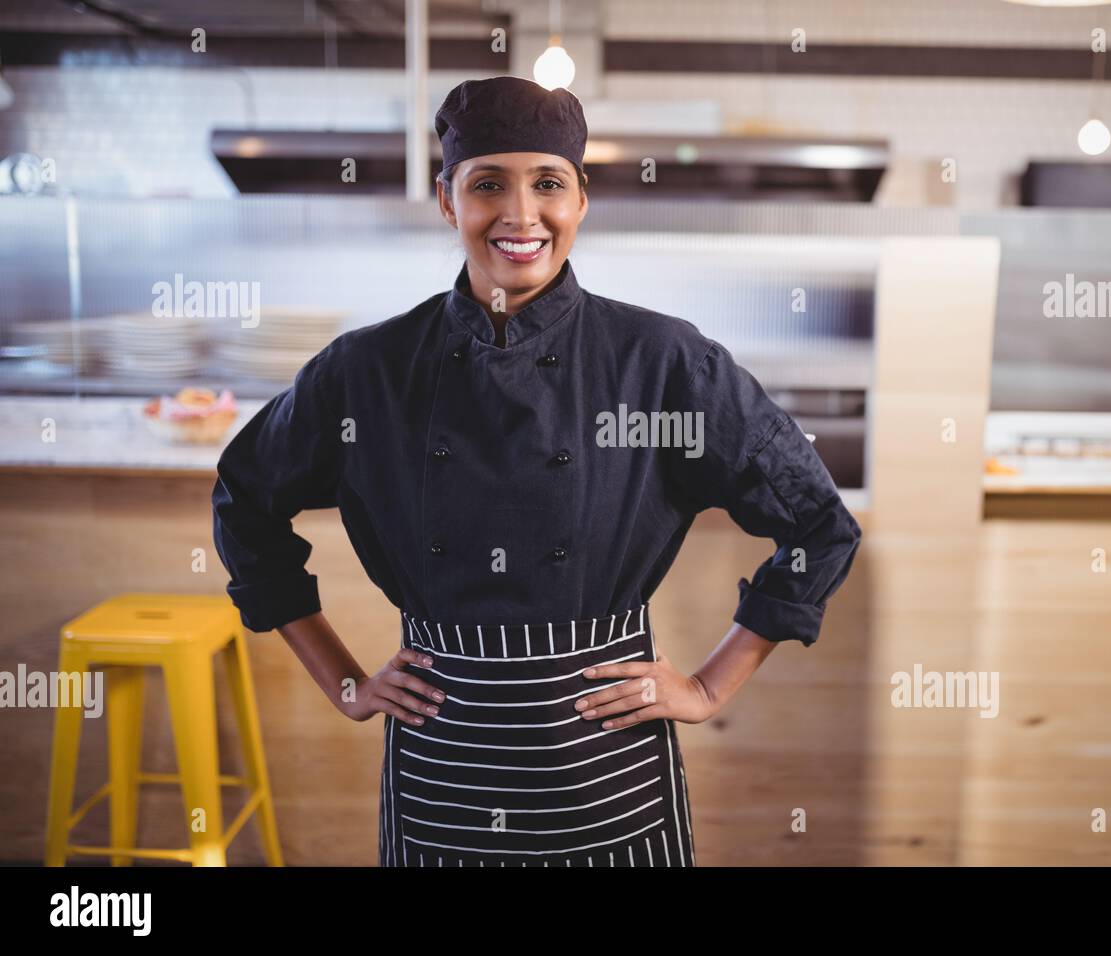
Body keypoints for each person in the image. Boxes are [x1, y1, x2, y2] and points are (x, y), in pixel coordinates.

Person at [212, 75, 861, 868]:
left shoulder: (660, 362)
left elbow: (817, 524)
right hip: (443, 776)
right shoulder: (368, 370)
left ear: (581, 200)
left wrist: (707, 687)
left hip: (609, 779)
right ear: (449, 201)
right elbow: (244, 500)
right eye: (488, 185)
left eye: (548, 184)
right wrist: (346, 684)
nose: (521, 215)